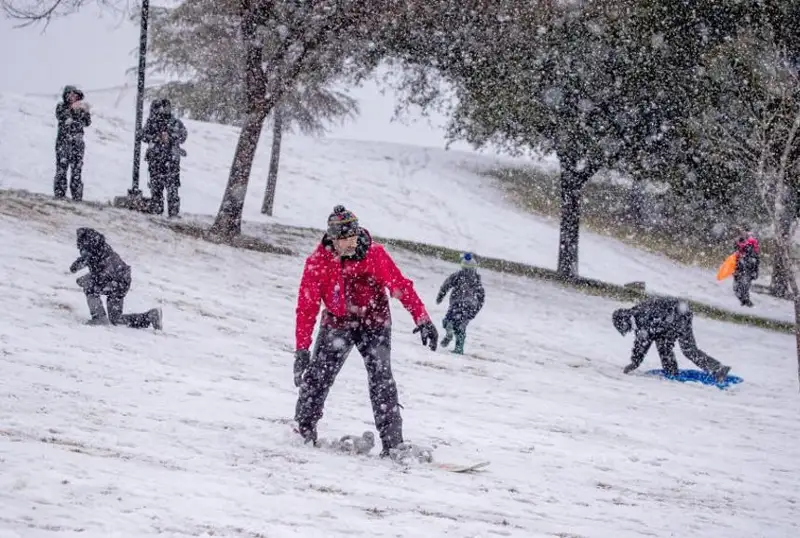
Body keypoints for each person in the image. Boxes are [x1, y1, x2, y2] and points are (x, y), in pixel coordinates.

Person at [293, 205, 439, 458]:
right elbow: (306, 308)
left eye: (352, 236)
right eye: (343, 239)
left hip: (375, 323)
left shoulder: (375, 255)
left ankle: (393, 443)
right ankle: (303, 430)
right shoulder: (317, 263)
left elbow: (400, 286)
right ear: (332, 238)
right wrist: (302, 349)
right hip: (337, 324)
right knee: (317, 377)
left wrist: (422, 318)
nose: (349, 243)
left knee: (382, 379)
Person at [612, 296, 731, 382]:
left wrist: (635, 362)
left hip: (680, 315)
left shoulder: (641, 316)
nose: (628, 331)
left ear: (625, 322)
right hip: (672, 320)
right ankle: (671, 372)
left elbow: (646, 339)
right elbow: (643, 341)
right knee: (663, 346)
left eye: (624, 329)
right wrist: (635, 361)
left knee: (688, 349)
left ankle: (718, 369)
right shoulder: (637, 319)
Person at [69, 227, 163, 330]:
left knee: (90, 287)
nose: (81, 250)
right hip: (121, 282)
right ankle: (149, 317)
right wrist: (76, 266)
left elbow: (104, 275)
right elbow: (85, 260)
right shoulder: (99, 249)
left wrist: (86, 279)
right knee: (115, 319)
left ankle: (99, 317)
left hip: (116, 283)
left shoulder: (100, 253)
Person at [140, 99, 188, 218]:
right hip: (156, 159)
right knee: (157, 187)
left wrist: (170, 138)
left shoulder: (175, 122)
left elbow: (183, 136)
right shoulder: (152, 122)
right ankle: (157, 209)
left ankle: (172, 212)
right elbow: (143, 136)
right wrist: (157, 138)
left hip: (170, 160)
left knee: (172, 188)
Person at [436, 252, 485, 354]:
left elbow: (446, 285)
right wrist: (474, 311)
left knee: (447, 320)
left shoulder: (458, 276)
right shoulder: (477, 280)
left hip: (457, 303)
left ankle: (449, 331)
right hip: (470, 307)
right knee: (461, 327)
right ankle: (459, 348)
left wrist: (440, 297)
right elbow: (481, 298)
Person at [54, 85, 92, 201]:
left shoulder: (81, 108)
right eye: (69, 94)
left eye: (74, 95)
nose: (72, 97)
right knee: (61, 169)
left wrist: (82, 111)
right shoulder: (61, 106)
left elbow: (87, 122)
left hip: (77, 144)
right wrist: (72, 110)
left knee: (77, 171)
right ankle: (59, 194)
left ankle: (77, 196)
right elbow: (63, 117)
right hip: (63, 143)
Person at [733, 230, 760, 307]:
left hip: (747, 269)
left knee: (744, 285)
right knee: (737, 286)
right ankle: (744, 300)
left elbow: (755, 260)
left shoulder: (751, 244)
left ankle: (746, 301)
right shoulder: (738, 244)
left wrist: (754, 272)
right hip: (741, 268)